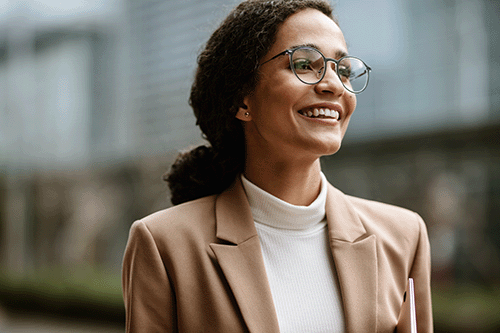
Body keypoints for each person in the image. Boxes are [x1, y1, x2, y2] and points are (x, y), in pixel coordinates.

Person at [122, 0, 433, 332]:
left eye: (342, 70)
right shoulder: (163, 244)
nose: (333, 84)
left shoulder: (403, 236)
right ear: (243, 100)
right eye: (304, 64)